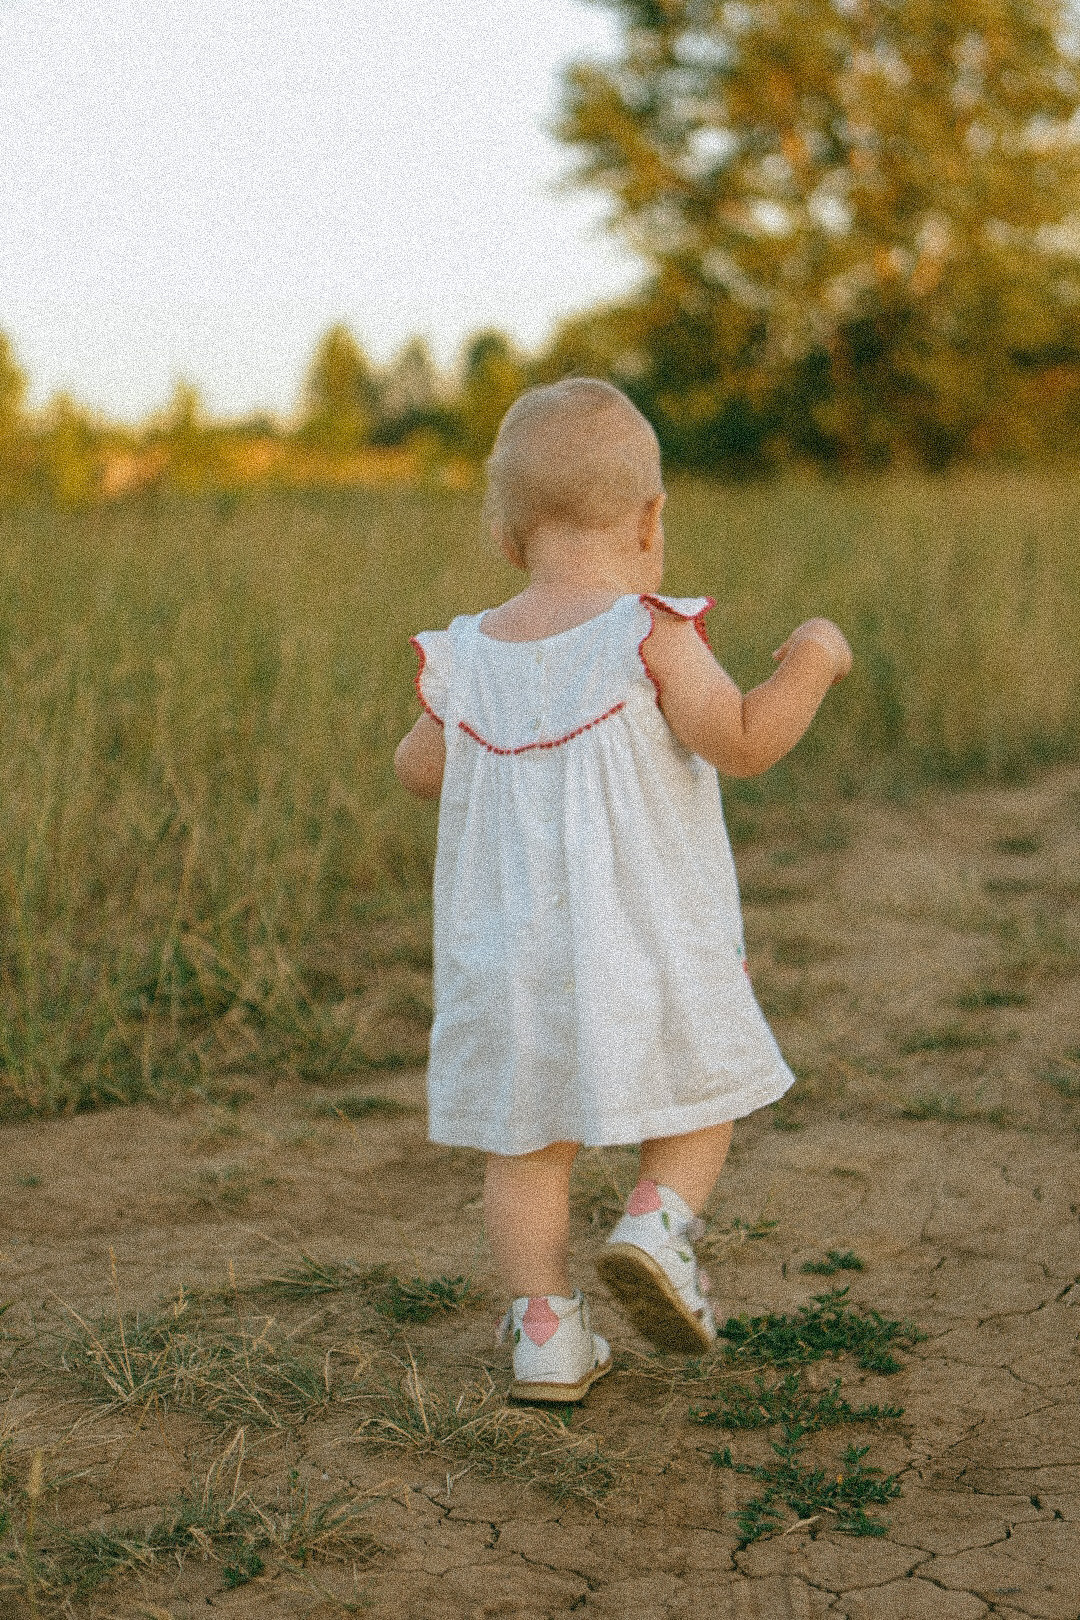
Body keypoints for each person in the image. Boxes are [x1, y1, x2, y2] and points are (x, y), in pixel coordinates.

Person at [394, 379, 852, 1402]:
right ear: (652, 521)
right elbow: (743, 740)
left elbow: (420, 770)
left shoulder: (464, 655)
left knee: (526, 1144)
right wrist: (813, 663)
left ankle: (546, 1334)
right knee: (703, 1084)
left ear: (509, 536)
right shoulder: (651, 632)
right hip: (647, 939)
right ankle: (655, 1223)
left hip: (509, 956)